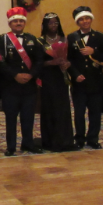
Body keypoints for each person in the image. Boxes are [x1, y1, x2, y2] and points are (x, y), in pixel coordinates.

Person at [0, 7, 43, 156]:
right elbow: (0, 62)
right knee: (11, 118)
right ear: (10, 23)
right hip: (10, 86)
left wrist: (31, 75)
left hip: (29, 86)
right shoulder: (2, 39)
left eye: (21, 21)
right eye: (15, 21)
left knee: (28, 117)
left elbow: (39, 61)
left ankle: (28, 143)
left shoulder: (32, 39)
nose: (18, 23)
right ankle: (11, 146)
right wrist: (14, 75)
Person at [67, 6, 103, 149]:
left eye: (87, 18)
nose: (85, 21)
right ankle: (79, 138)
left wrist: (94, 51)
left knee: (95, 112)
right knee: (79, 112)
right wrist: (75, 74)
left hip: (95, 80)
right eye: (82, 19)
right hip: (79, 81)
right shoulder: (72, 37)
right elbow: (68, 60)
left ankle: (93, 138)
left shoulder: (99, 36)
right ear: (77, 22)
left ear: (91, 19)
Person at [37, 13, 78, 152]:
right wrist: (52, 62)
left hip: (61, 78)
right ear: (45, 25)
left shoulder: (65, 39)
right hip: (47, 79)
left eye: (56, 22)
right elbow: (38, 63)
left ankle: (64, 140)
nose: (53, 25)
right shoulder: (40, 41)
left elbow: (72, 58)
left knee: (62, 109)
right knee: (49, 108)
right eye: (50, 23)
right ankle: (49, 141)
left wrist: (67, 63)